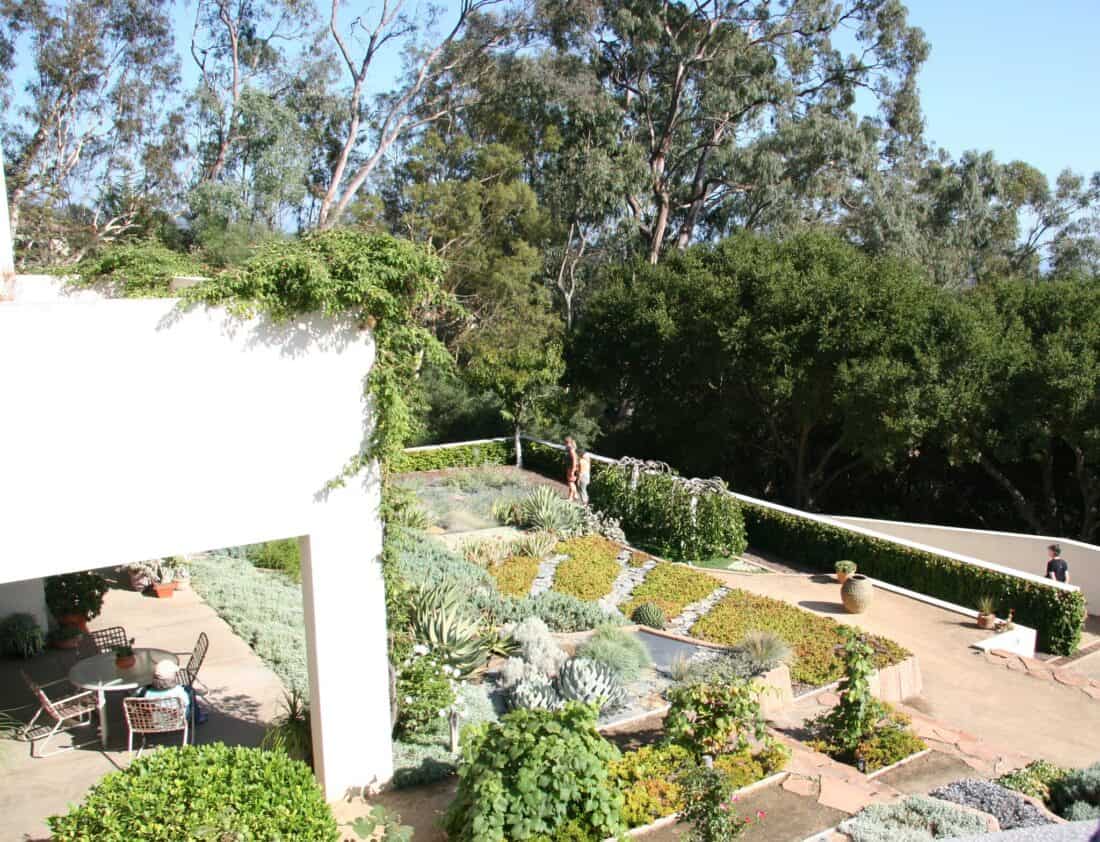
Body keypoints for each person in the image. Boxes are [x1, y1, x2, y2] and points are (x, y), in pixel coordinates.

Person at [564, 436, 579, 501]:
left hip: (572, 467)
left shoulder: (570, 449)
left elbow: (574, 459)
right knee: (571, 481)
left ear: (566, 442)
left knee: (570, 482)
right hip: (571, 467)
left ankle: (576, 494)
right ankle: (570, 498)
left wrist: (573, 470)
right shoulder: (572, 448)